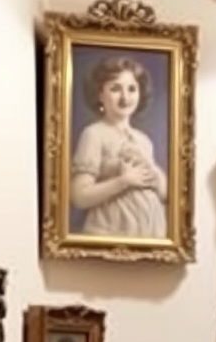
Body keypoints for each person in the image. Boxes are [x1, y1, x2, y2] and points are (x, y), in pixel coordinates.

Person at [70, 56, 167, 239]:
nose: (125, 97)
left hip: (150, 234)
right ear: (100, 94)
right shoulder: (94, 134)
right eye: (115, 89)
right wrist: (124, 181)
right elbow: (79, 197)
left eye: (132, 89)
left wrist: (149, 164)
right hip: (111, 231)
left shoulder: (144, 140)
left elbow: (163, 193)